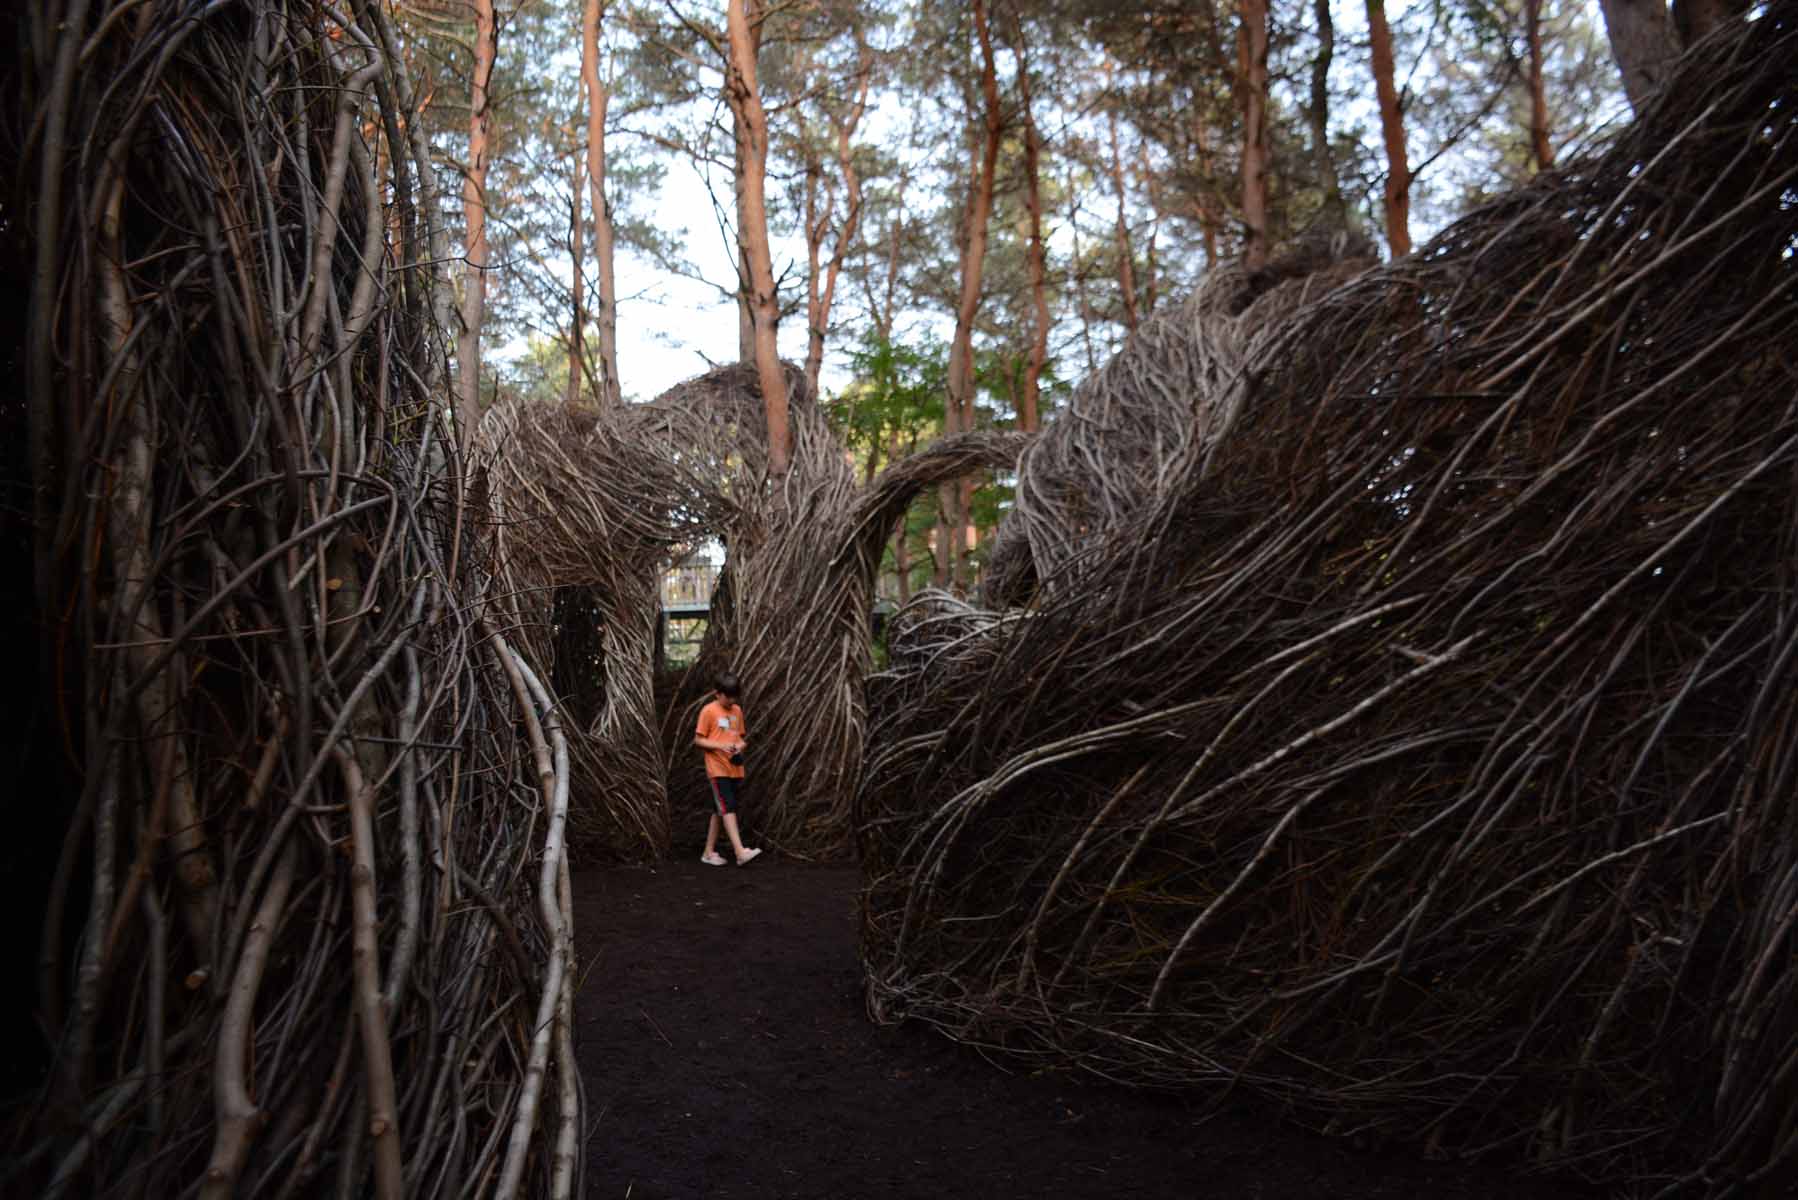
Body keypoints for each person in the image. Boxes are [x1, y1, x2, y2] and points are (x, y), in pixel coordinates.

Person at [694, 673, 761, 866]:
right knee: (728, 806)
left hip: (734, 768)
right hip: (717, 768)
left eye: (734, 697)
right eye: (728, 696)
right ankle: (740, 852)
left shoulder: (737, 711)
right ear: (718, 694)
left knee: (720, 809)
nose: (731, 701)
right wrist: (719, 746)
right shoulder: (708, 711)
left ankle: (708, 852)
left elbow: (740, 738)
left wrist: (740, 746)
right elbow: (698, 739)